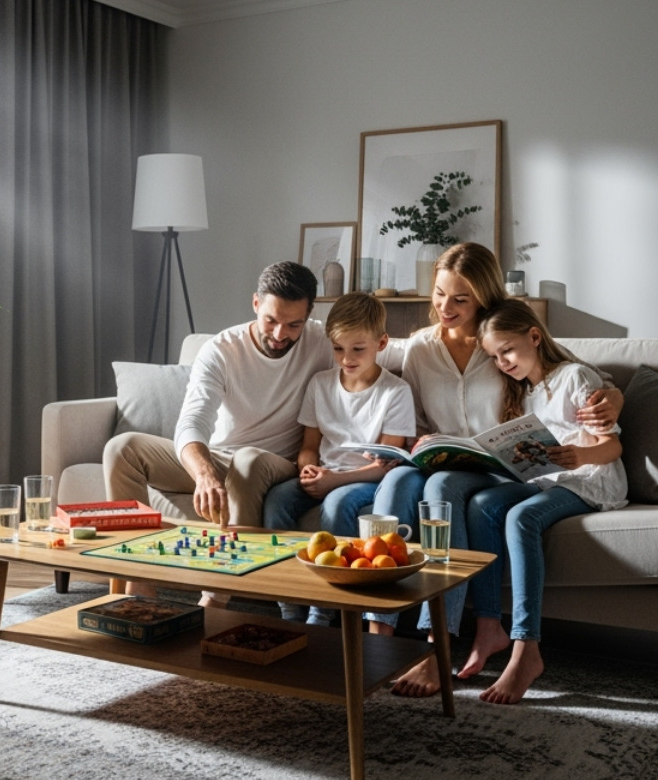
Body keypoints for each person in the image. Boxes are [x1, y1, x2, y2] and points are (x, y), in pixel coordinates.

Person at [366, 242, 623, 696]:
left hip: (499, 468)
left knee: (445, 487)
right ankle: (378, 634)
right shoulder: (421, 350)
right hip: (447, 460)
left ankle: (438, 642)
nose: (446, 307)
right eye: (440, 294)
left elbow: (571, 377)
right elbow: (414, 420)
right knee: (399, 482)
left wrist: (613, 397)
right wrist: (414, 444)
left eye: (461, 299)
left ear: (484, 299)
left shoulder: (500, 342)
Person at [103, 261, 331, 596]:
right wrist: (205, 474)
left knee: (249, 460)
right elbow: (192, 420)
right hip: (223, 458)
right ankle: (140, 583)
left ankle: (216, 599)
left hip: (274, 465)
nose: (280, 334)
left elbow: (388, 349)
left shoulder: (324, 341)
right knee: (122, 448)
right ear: (256, 303)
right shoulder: (222, 349)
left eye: (293, 324)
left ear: (309, 315)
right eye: (271, 320)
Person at [455, 299, 627, 704]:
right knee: (481, 505)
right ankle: (487, 626)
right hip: (550, 480)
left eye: (508, 350)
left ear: (534, 336)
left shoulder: (575, 377)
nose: (503, 362)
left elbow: (612, 447)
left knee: (520, 519)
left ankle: (526, 649)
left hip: (590, 481)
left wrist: (581, 455)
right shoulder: (526, 394)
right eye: (495, 357)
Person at [263, 292, 415, 625]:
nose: (346, 358)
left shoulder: (395, 392)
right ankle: (288, 602)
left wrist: (335, 481)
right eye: (338, 348)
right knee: (277, 500)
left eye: (358, 349)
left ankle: (325, 609)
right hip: (326, 473)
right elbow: (309, 445)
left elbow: (385, 466)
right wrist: (308, 469)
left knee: (336, 504)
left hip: (363, 480)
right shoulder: (320, 384)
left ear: (382, 343)